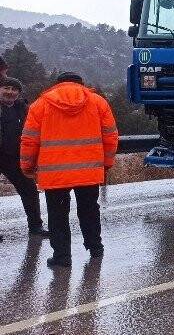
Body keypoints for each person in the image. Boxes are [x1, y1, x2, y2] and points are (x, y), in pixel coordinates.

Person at [20, 72, 118, 268]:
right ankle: (95, 248)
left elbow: (29, 140)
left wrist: (27, 166)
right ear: (82, 84)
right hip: (89, 170)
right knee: (89, 210)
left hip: (54, 172)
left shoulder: (40, 105)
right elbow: (111, 137)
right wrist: (106, 164)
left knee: (57, 214)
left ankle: (62, 257)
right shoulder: (98, 102)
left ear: (57, 84)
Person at [0, 78, 47, 236]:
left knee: (30, 190)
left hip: (15, 157)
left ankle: (36, 227)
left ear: (19, 93)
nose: (10, 92)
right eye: (6, 88)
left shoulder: (23, 108)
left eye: (14, 90)